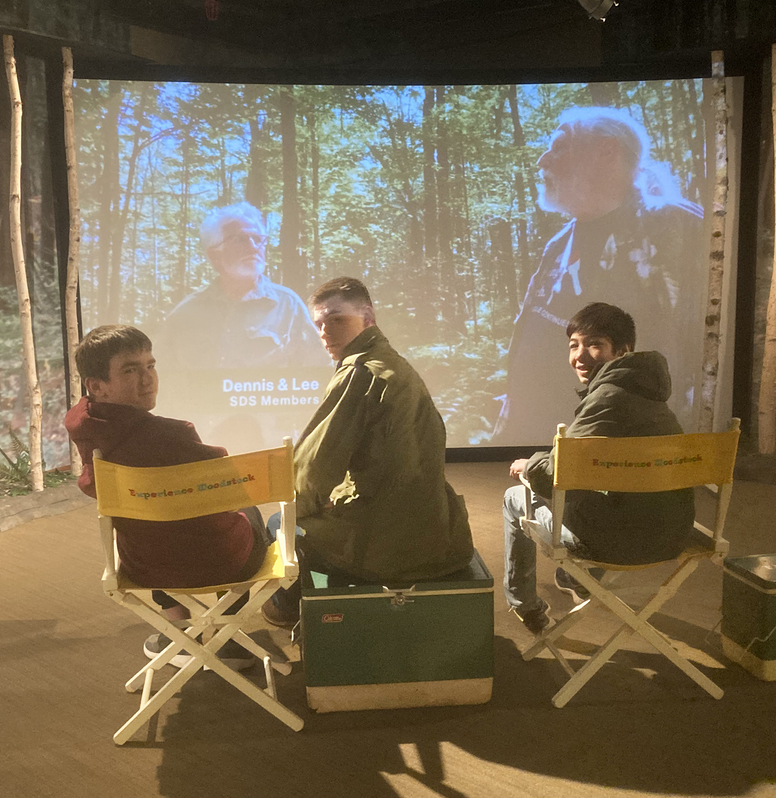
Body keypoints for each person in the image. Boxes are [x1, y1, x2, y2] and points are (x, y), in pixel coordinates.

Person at [262, 277, 475, 626]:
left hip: (386, 549)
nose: (325, 332)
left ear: (368, 317)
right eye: (319, 324)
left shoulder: (359, 373)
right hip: (437, 536)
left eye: (336, 319)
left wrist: (301, 510)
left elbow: (311, 472)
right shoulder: (394, 364)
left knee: (278, 521)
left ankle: (288, 610)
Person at [492, 106, 705, 446]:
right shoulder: (559, 243)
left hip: (620, 440)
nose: (542, 160)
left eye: (559, 146)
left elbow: (702, 343)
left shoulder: (677, 227)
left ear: (607, 151)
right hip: (539, 432)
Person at [65, 324, 268, 670]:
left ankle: (177, 631)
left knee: (148, 521)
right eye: (130, 370)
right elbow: (231, 489)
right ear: (96, 386)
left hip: (145, 565)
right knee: (250, 511)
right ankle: (228, 638)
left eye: (150, 365)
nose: (147, 379)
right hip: (219, 562)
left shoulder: (87, 430)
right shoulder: (175, 435)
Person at [502, 302, 696, 634]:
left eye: (595, 344)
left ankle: (525, 604)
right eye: (574, 345)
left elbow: (556, 480)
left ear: (623, 350)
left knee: (513, 497)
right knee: (599, 489)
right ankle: (574, 579)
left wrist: (528, 464)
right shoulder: (651, 395)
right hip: (672, 535)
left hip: (618, 542)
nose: (580, 356)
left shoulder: (608, 397)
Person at [160, 202, 329, 370]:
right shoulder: (185, 313)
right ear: (214, 254)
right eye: (240, 239)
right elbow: (163, 377)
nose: (252, 246)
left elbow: (319, 371)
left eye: (257, 239)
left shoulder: (287, 306)